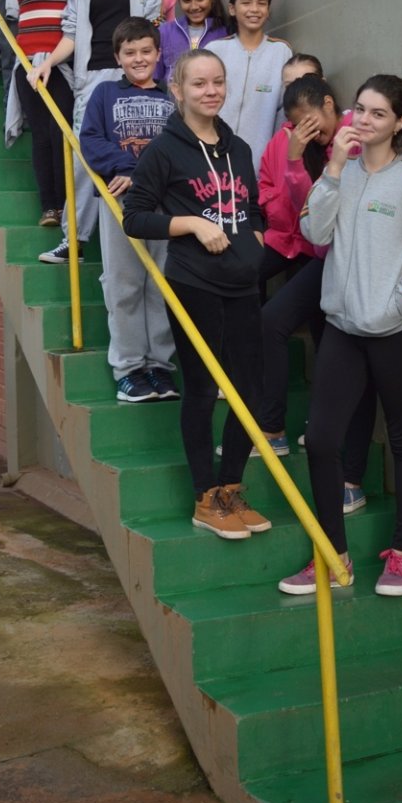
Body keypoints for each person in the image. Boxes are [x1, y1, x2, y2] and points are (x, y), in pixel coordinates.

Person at [279, 74, 402, 598]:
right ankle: (333, 556)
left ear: (399, 123)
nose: (365, 120)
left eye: (378, 113)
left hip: (397, 333)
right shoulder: (341, 172)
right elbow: (314, 233)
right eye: (361, 109)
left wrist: (395, 305)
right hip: (342, 330)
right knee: (321, 440)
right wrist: (332, 169)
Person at [122, 49, 270, 540]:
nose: (211, 91)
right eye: (199, 83)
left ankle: (231, 489)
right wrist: (190, 223)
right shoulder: (163, 151)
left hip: (243, 282)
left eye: (218, 82)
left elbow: (252, 209)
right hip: (194, 283)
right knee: (203, 390)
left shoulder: (239, 149)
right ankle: (206, 497)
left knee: (249, 392)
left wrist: (254, 244)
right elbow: (135, 217)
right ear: (178, 90)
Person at [257, 75, 376, 504]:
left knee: (352, 365)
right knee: (274, 321)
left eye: (310, 120)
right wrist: (294, 158)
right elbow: (309, 214)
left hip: (360, 267)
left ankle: (351, 480)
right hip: (323, 258)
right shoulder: (304, 147)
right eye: (297, 124)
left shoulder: (353, 137)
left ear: (329, 104)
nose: (307, 130)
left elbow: (335, 212)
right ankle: (274, 429)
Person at [28, 0, 161, 265]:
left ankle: (142, 230)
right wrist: (47, 63)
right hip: (91, 79)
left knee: (135, 153)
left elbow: (150, 34)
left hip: (131, 80)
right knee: (83, 158)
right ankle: (74, 238)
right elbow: (71, 34)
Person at [80, 18, 177, 402]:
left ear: (158, 54)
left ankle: (159, 366)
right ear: (118, 57)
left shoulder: (172, 96)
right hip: (121, 199)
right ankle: (129, 368)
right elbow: (90, 140)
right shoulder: (104, 94)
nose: (139, 59)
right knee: (124, 283)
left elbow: (181, 147)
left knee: (161, 283)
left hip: (166, 201)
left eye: (146, 51)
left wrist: (147, 175)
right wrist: (130, 170)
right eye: (130, 52)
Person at [0, 0, 81, 227]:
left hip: (59, 64)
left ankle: (68, 204)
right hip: (28, 64)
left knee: (61, 131)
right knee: (41, 135)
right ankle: (50, 207)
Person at [211, 0, 292, 170]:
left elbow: (284, 111)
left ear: (268, 10)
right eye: (246, 3)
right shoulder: (215, 50)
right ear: (232, 9)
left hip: (259, 165)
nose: (254, 9)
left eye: (261, 3)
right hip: (213, 160)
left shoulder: (281, 52)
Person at [154, 0, 227, 83]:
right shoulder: (165, 32)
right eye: (187, 0)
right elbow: (156, 76)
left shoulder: (225, 32)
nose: (194, 6)